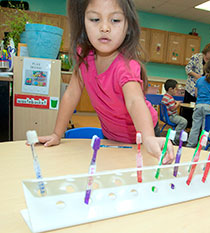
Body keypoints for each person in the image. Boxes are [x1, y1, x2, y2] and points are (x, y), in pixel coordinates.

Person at [38, 0, 174, 164]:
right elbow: (71, 94)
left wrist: (149, 138)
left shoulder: (126, 66)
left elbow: (135, 102)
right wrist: (56, 134)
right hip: (112, 136)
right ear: (83, 22)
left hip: (145, 136)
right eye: (95, 19)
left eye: (115, 20)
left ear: (128, 26)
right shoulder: (84, 57)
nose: (104, 28)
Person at [181, 42, 210, 128]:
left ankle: (198, 132)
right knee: (189, 111)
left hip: (205, 89)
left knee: (200, 113)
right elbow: (187, 69)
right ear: (207, 51)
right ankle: (186, 129)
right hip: (192, 87)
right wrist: (197, 76)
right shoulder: (196, 57)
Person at [187, 59, 210, 147]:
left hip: (198, 106)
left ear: (204, 69)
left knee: (195, 127)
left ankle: (190, 144)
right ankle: (204, 146)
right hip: (209, 107)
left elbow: (196, 94)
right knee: (206, 129)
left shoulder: (199, 80)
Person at [161, 79, 187, 144]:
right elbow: (173, 109)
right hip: (171, 117)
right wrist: (177, 104)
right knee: (183, 121)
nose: (176, 91)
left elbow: (169, 103)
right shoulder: (170, 98)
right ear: (170, 89)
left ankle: (176, 135)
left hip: (165, 116)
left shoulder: (165, 96)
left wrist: (175, 102)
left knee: (181, 119)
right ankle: (175, 138)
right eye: (175, 89)